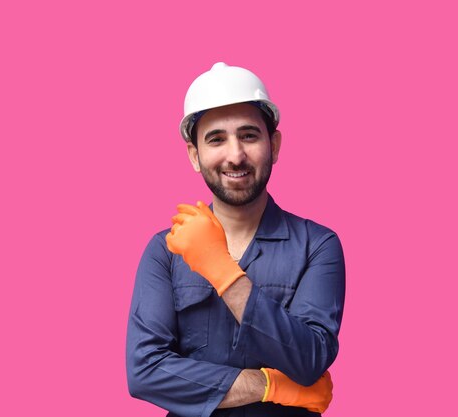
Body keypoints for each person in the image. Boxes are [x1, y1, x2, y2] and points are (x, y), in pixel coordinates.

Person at [126, 62, 346, 417]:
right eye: (216, 139)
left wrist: (221, 270)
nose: (235, 155)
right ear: (194, 155)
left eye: (249, 135)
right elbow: (145, 372)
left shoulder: (318, 245)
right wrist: (271, 386)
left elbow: (310, 360)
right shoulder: (164, 251)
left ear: (273, 145)